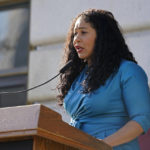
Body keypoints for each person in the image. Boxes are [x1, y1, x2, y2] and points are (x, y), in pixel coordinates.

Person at [57, 9, 150, 150]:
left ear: (102, 36)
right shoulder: (79, 77)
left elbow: (142, 119)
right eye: (75, 33)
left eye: (83, 32)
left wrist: (102, 145)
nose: (76, 38)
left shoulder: (128, 71)